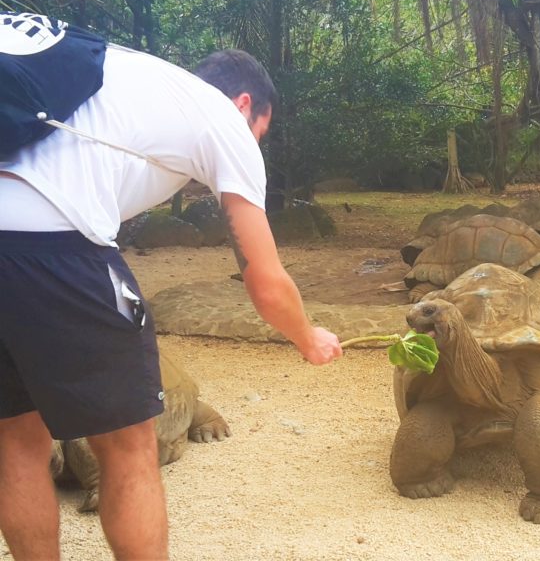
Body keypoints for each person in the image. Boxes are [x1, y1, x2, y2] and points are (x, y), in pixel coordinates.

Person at [0, 38, 343, 559]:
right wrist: (307, 336)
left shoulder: (125, 77)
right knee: (129, 450)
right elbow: (265, 281)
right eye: (260, 134)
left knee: (14, 441)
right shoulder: (220, 117)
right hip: (55, 243)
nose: (254, 144)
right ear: (246, 105)